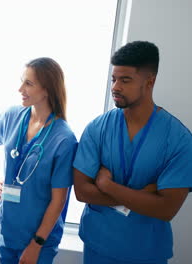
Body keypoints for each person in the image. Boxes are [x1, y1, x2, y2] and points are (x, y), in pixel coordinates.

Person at [73, 41, 192, 264]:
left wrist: (108, 186)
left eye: (125, 80)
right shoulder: (97, 128)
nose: (115, 87)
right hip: (98, 246)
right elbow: (82, 192)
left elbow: (166, 208)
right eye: (114, 79)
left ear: (150, 81)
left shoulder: (180, 140)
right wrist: (143, 196)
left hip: (146, 252)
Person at [0, 57, 78, 264]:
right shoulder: (12, 115)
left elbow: (58, 200)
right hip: (7, 228)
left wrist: (36, 244)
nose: (20, 89)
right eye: (21, 81)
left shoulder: (64, 139)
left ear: (47, 90)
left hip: (38, 239)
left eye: (28, 83)